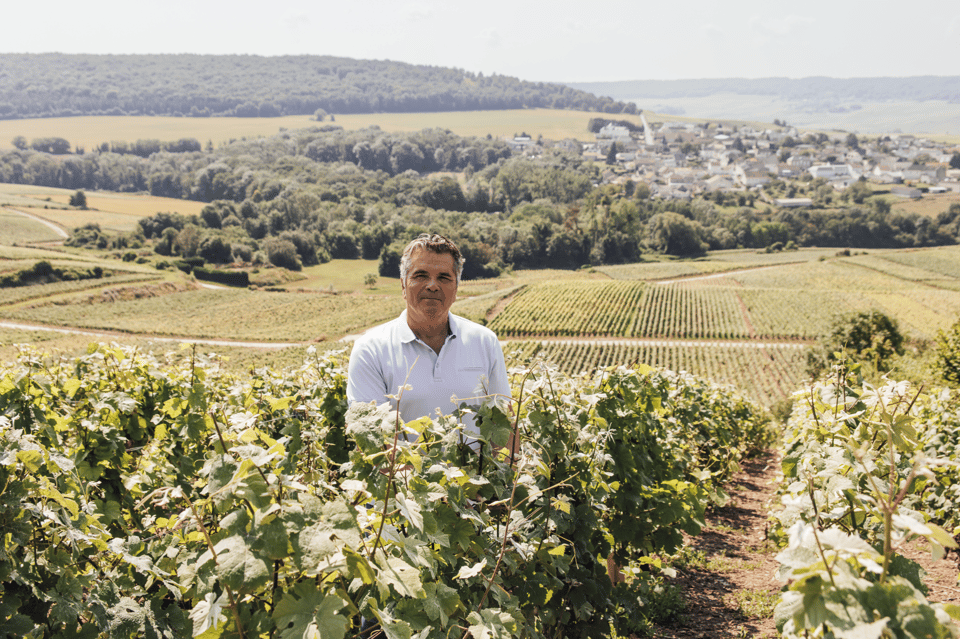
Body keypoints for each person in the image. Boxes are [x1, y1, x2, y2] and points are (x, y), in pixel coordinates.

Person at [346, 234, 510, 448]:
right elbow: (374, 442)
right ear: (403, 285)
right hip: (402, 480)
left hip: (477, 481)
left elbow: (503, 426)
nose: (432, 285)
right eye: (421, 275)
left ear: (456, 288)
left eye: (444, 277)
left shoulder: (485, 342)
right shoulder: (370, 350)